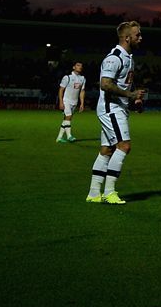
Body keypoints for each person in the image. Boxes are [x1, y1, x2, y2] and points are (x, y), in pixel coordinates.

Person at [86, 22, 145, 204]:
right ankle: (110, 192)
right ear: (127, 38)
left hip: (117, 107)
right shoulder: (115, 57)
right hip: (110, 108)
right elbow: (105, 84)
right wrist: (130, 94)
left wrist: (133, 99)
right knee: (124, 146)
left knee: (107, 150)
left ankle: (94, 193)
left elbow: (123, 83)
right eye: (137, 35)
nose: (140, 38)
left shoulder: (129, 57)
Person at [56, 61, 86, 143]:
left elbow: (82, 91)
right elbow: (61, 90)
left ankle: (59, 138)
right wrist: (61, 102)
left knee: (67, 119)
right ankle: (69, 136)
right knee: (68, 117)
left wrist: (82, 103)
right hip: (67, 100)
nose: (80, 67)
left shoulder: (82, 78)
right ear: (74, 67)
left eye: (81, 66)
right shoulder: (67, 77)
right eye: (78, 65)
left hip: (75, 102)